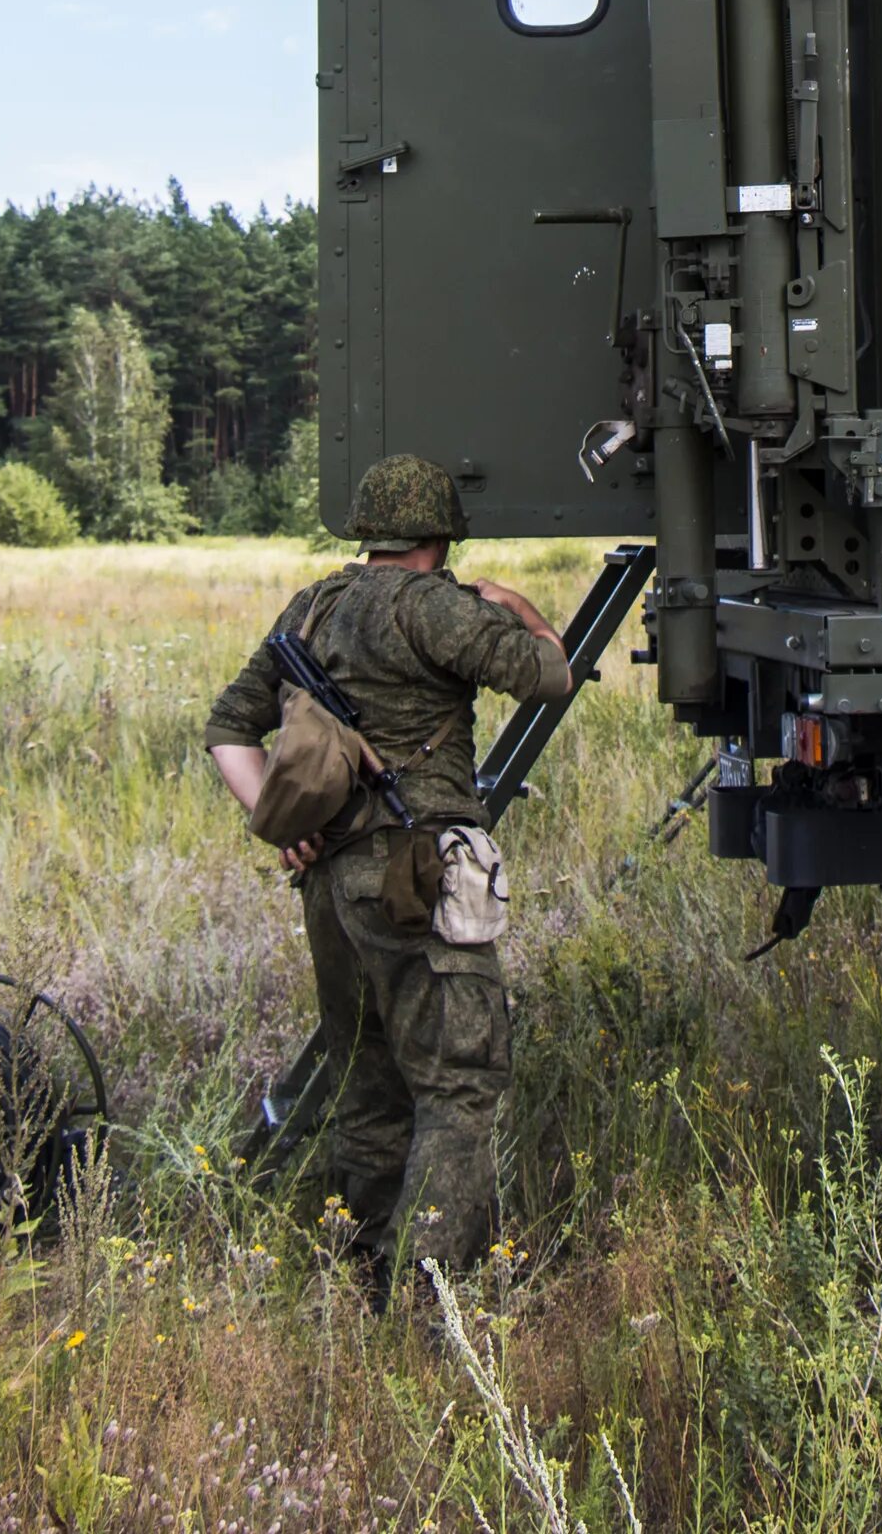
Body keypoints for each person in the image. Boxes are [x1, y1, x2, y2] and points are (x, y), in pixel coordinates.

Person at [205, 452, 570, 1289]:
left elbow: (228, 729)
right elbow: (551, 675)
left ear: (368, 528)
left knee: (366, 1086)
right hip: (414, 877)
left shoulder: (313, 606)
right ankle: (426, 1289)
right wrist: (515, 605)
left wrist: (279, 824)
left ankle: (365, 1275)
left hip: (330, 883)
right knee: (459, 1084)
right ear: (440, 533)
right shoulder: (437, 609)